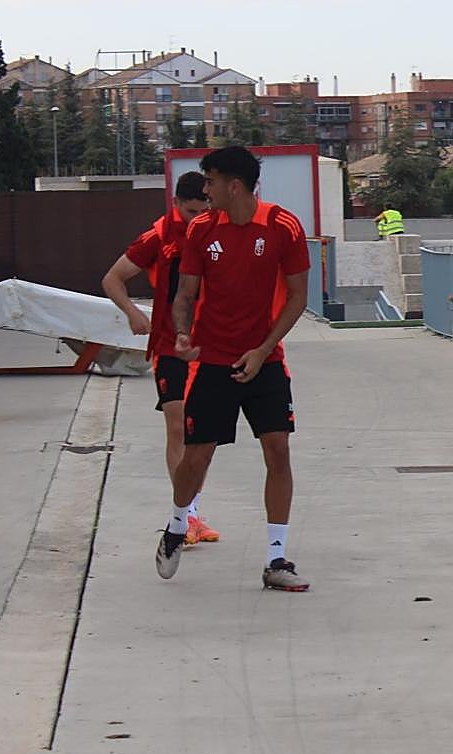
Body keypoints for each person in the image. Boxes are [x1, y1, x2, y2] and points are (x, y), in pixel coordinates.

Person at [155, 146, 311, 592]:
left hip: (265, 360)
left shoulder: (283, 225)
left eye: (210, 182)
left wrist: (264, 350)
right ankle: (177, 522)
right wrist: (183, 336)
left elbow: (298, 297)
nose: (205, 191)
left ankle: (276, 558)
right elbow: (185, 295)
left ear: (234, 185)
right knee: (197, 457)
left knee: (278, 450)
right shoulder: (202, 229)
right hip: (214, 361)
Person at [102, 170, 219, 545]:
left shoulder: (220, 232)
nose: (196, 219)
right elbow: (112, 279)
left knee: (203, 436)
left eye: (203, 211)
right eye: (189, 212)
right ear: (175, 205)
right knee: (176, 425)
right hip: (170, 346)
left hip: (210, 346)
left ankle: (192, 507)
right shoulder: (159, 236)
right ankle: (188, 518)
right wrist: (133, 313)